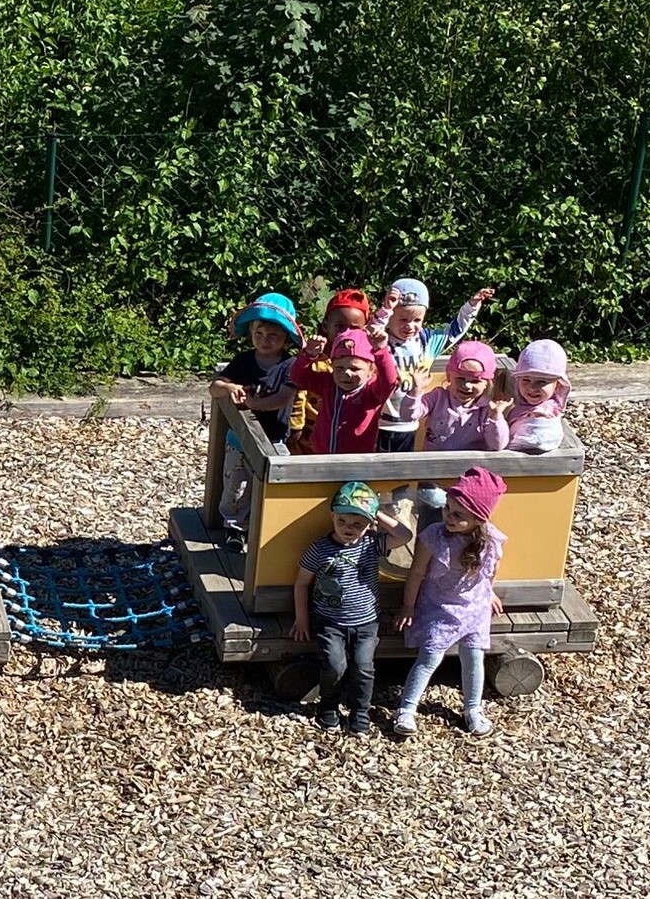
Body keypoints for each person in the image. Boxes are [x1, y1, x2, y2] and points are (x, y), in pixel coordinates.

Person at [392, 467, 509, 737]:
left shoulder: (490, 539)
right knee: (430, 656)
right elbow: (417, 572)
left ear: (479, 519)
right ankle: (407, 709)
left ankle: (473, 709)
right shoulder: (435, 537)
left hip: (475, 607)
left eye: (458, 515)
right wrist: (408, 605)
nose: (449, 517)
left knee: (474, 657)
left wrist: (489, 592)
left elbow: (491, 569)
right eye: (447, 508)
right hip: (440, 606)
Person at [291, 481, 413, 734]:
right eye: (343, 521)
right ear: (333, 517)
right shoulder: (320, 548)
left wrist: (375, 511)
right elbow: (302, 583)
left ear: (369, 525)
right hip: (329, 621)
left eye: (358, 523)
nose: (349, 528)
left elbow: (404, 535)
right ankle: (328, 706)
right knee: (335, 666)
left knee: (363, 667)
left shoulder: (371, 544)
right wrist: (302, 618)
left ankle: (360, 711)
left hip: (366, 622)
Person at [209, 293, 300, 536]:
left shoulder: (290, 365)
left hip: (275, 437)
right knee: (235, 486)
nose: (265, 340)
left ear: (286, 339)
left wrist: (254, 404)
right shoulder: (244, 360)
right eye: (259, 334)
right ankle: (234, 528)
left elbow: (283, 397)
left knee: (275, 484)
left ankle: (265, 527)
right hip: (239, 439)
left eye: (273, 335)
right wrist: (229, 387)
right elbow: (214, 387)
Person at [370, 280, 495, 453]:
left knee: (403, 474)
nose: (410, 326)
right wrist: (386, 309)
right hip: (379, 421)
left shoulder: (426, 341)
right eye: (403, 319)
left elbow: (455, 330)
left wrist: (472, 305)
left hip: (412, 423)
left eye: (417, 320)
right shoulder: (382, 341)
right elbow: (370, 333)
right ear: (391, 318)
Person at [288, 326, 400, 455]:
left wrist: (381, 351)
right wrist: (308, 355)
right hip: (321, 454)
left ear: (371, 371)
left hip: (356, 460)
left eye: (355, 368)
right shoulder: (328, 384)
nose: (346, 373)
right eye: (339, 368)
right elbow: (299, 379)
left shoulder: (372, 392)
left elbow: (389, 382)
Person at [288, 288, 374, 455]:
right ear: (326, 326)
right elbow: (299, 389)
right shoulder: (316, 360)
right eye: (339, 326)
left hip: (348, 441)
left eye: (354, 328)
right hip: (309, 437)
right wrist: (295, 425)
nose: (346, 333)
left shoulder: (365, 363)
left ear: (364, 329)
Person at [391, 339, 509, 453]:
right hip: (434, 466)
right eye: (460, 378)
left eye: (475, 381)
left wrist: (497, 417)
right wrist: (415, 391)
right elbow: (408, 416)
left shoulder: (487, 409)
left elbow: (497, 445)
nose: (467, 385)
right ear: (448, 375)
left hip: (471, 469)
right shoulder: (438, 397)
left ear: (487, 383)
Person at [506, 339, 572, 454]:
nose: (532, 388)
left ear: (558, 385)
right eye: (526, 380)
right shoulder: (522, 405)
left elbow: (533, 442)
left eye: (541, 382)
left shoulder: (542, 417)